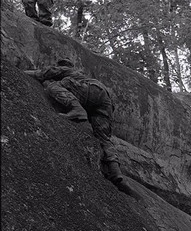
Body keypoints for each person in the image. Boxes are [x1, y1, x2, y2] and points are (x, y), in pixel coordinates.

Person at [25, 58, 125, 188]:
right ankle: (115, 171)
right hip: (105, 101)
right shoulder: (81, 75)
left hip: (91, 90)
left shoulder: (67, 71)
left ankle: (76, 109)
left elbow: (41, 74)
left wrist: (20, 72)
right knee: (104, 138)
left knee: (52, 86)